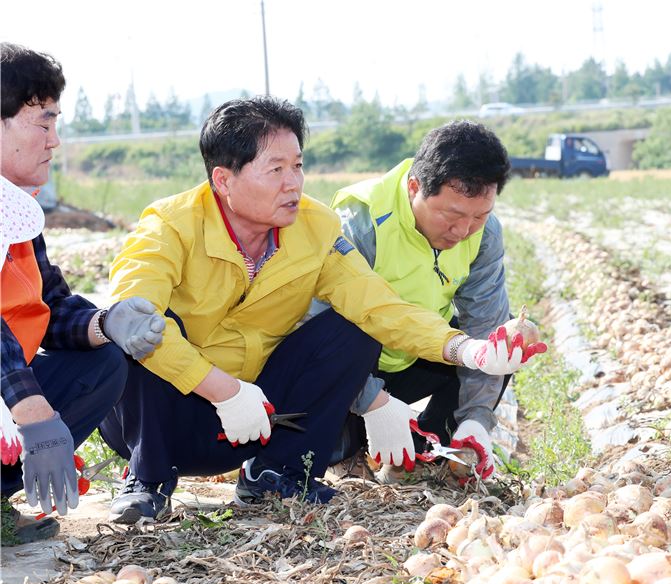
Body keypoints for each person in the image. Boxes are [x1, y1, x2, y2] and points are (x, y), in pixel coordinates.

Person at [99, 97, 544, 523]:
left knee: (353, 328)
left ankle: (277, 473)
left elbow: (378, 306)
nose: (293, 183)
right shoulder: (168, 226)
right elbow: (131, 319)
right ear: (224, 179)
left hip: (261, 418)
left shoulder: (315, 227)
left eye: (297, 166)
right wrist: (223, 391)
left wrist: (467, 350)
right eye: (275, 169)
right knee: (142, 326)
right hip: (171, 417)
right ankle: (147, 477)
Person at [0, 43, 165, 542]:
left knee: (102, 362)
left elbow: (49, 308)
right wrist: (32, 410)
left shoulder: (16, 211)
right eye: (43, 123)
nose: (55, 140)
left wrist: (105, 323)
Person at [328, 121, 524, 482]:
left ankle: (427, 451)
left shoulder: (484, 234)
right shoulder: (361, 222)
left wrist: (476, 418)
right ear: (415, 187)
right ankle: (345, 453)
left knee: (496, 345)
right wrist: (371, 400)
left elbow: (486, 323)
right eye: (452, 215)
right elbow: (317, 337)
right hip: (354, 363)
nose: (463, 231)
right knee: (335, 338)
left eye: (479, 216)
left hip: (419, 355)